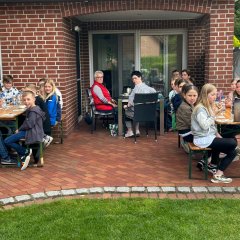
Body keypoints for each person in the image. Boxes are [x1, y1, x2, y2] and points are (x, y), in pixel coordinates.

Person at [191, 83, 237, 183]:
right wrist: (214, 114)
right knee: (233, 143)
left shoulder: (207, 106)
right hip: (201, 139)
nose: (215, 97)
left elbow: (212, 126)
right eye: (212, 94)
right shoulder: (200, 108)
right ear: (205, 95)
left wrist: (218, 135)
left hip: (209, 136)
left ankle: (217, 173)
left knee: (233, 151)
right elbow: (204, 125)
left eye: (216, 94)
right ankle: (212, 165)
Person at [4, 91, 45, 170]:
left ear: (34, 99)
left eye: (28, 99)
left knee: (7, 141)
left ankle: (24, 152)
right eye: (24, 100)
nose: (26, 102)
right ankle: (23, 155)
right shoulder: (35, 108)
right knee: (12, 136)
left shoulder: (33, 111)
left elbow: (29, 124)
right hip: (33, 131)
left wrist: (19, 129)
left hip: (32, 132)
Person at [124, 70, 156, 138]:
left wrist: (126, 106)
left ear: (140, 77)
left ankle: (130, 131)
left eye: (135, 78)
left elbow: (131, 103)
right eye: (133, 79)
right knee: (136, 109)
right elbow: (155, 97)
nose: (134, 80)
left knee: (127, 111)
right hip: (149, 114)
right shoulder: (151, 89)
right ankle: (137, 130)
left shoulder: (135, 90)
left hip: (138, 113)